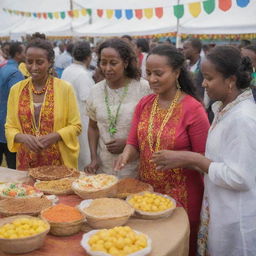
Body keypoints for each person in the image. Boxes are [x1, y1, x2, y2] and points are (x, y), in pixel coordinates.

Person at [149, 46, 256, 256]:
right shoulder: (223, 109)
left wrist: (193, 159)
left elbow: (240, 178)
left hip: (236, 218)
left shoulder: (244, 119)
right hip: (219, 207)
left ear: (230, 81)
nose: (204, 84)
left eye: (209, 78)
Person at [115, 45, 210, 256]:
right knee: (149, 246)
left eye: (159, 73)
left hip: (182, 198)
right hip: (146, 194)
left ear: (176, 72)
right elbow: (133, 142)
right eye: (148, 73)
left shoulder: (193, 109)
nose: (152, 79)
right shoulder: (145, 104)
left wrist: (181, 158)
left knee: (175, 247)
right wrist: (126, 155)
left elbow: (205, 159)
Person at [5, 38, 81, 170]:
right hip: (26, 162)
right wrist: (22, 137)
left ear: (50, 62)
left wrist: (55, 136)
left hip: (59, 163)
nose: (33, 67)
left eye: (39, 62)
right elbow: (9, 127)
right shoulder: (16, 90)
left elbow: (76, 126)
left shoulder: (64, 88)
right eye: (29, 62)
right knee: (29, 191)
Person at [85, 38, 151, 178]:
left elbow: (154, 129)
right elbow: (93, 127)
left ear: (126, 63)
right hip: (105, 167)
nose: (107, 68)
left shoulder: (144, 89)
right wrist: (94, 158)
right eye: (103, 63)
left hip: (135, 168)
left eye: (113, 63)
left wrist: (130, 143)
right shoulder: (95, 90)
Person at [61, 41, 95, 170]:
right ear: (88, 57)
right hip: (82, 119)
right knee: (85, 154)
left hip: (69, 118)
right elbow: (88, 100)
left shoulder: (67, 70)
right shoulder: (83, 75)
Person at [0, 42, 25, 169]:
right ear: (18, 54)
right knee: (13, 169)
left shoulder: (4, 68)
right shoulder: (15, 73)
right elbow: (20, 99)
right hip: (7, 125)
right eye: (24, 52)